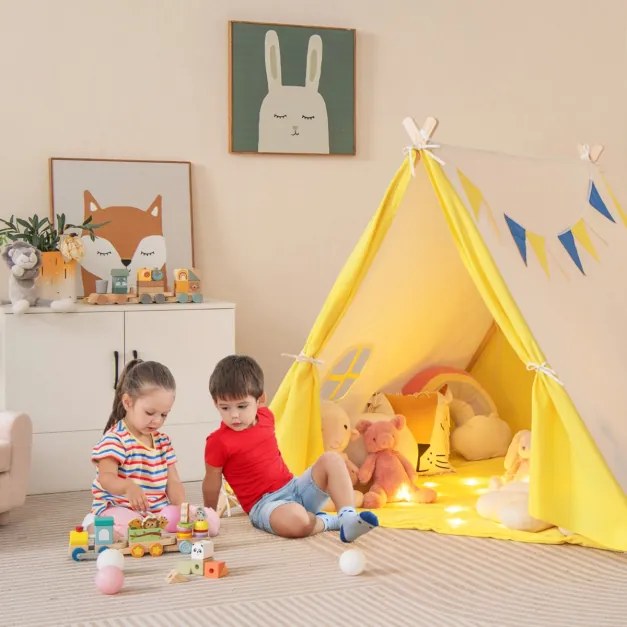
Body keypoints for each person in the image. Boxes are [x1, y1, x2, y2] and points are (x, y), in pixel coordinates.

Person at [203, 355, 379, 542]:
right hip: (265, 505)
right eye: (225, 408)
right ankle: (329, 522)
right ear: (216, 404)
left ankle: (348, 517)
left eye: (242, 406)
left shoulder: (266, 417)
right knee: (298, 521)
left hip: (294, 487)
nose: (234, 415)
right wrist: (208, 515)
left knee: (333, 459)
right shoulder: (218, 442)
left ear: (260, 399)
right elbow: (211, 483)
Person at [87, 359, 217, 540]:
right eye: (150, 413)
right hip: (119, 507)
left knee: (210, 522)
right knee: (131, 530)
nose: (157, 421)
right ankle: (96, 524)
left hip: (157, 512)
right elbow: (105, 478)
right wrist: (128, 487)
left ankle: (155, 529)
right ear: (127, 402)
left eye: (164, 414)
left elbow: (174, 481)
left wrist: (181, 508)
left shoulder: (163, 441)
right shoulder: (115, 439)